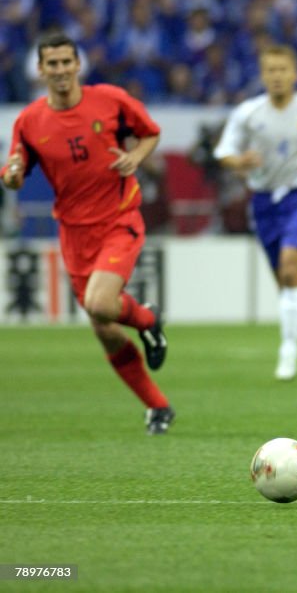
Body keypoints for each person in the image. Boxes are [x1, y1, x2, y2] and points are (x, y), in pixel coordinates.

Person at [1, 32, 173, 434]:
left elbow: (150, 132)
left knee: (99, 303)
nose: (60, 70)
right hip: (74, 234)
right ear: (40, 70)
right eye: (52, 64)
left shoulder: (110, 101)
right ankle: (158, 406)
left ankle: (148, 320)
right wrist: (10, 178)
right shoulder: (30, 121)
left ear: (78, 65)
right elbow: (15, 174)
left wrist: (135, 157)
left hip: (118, 219)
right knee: (104, 328)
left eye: (66, 62)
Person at [214, 44, 297, 380]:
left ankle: (288, 351)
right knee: (285, 281)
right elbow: (224, 151)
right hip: (263, 201)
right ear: (263, 75)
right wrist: (238, 162)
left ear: (294, 74)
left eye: (282, 70)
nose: (276, 76)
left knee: (291, 267)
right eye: (270, 70)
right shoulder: (248, 114)